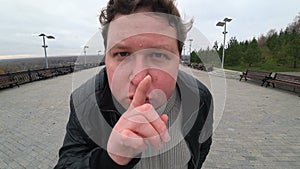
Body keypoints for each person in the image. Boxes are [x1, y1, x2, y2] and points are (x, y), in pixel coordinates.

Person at [55, 0, 213, 168]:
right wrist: (109, 160)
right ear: (106, 58)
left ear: (179, 59)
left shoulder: (199, 97)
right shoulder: (85, 102)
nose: (139, 78)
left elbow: (201, 147)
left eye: (158, 55)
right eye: (122, 54)